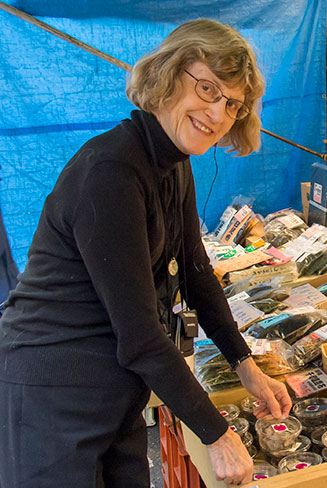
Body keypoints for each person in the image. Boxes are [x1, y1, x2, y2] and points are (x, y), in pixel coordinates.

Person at [0, 19, 291, 487]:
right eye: (207, 88)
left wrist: (246, 365)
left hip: (115, 390)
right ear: (168, 75)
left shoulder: (173, 161)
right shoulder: (111, 171)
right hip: (52, 395)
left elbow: (197, 273)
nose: (217, 114)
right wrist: (217, 434)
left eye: (232, 103)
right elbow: (138, 334)